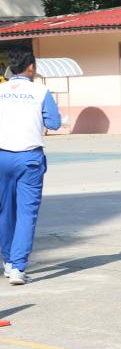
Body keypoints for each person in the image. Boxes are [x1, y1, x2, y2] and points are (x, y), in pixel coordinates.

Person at [0, 48, 61, 285]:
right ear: (31, 67)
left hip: (2, 156)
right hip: (29, 158)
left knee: (4, 211)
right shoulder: (41, 91)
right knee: (27, 214)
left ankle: (7, 262)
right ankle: (18, 268)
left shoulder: (1, 90)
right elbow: (54, 123)